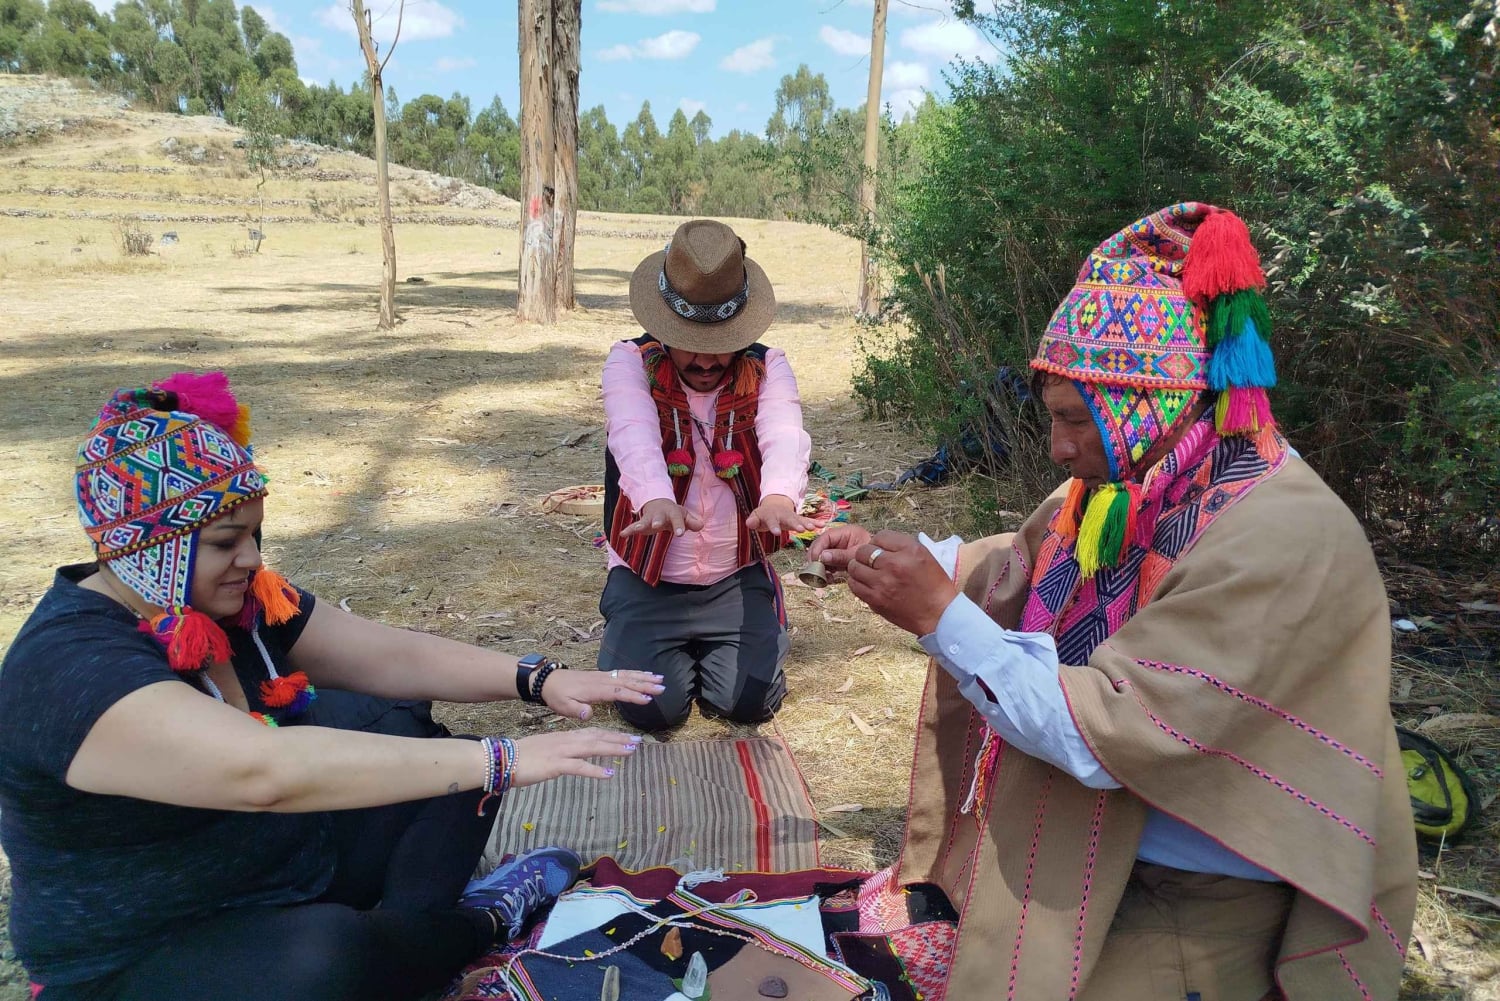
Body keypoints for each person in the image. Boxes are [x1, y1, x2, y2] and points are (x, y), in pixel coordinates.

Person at [811, 203, 1418, 1000]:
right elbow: (1020, 562)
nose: (1058, 448)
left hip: (1200, 901)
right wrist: (909, 558)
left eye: (1071, 419)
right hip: (1121, 853)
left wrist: (937, 615)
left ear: (1148, 405)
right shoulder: (1151, 482)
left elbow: (1103, 738)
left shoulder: (1281, 535)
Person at [0, 371, 666, 1001]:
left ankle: (408, 944)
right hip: (147, 947)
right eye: (228, 540)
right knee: (325, 955)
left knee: (417, 741)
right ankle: (475, 926)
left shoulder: (226, 600)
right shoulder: (73, 664)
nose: (254, 558)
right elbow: (261, 771)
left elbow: (382, 654)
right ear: (147, 548)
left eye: (256, 534)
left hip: (283, 867)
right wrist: (506, 756)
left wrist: (538, 679)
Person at [599, 219, 815, 731]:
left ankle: (752, 621)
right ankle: (633, 624)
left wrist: (781, 496)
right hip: (648, 576)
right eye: (688, 340)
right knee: (653, 710)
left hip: (734, 573)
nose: (703, 359)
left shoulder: (769, 367)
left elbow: (784, 432)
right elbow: (632, 433)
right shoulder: (630, 362)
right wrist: (654, 498)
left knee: (748, 704)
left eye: (719, 341)